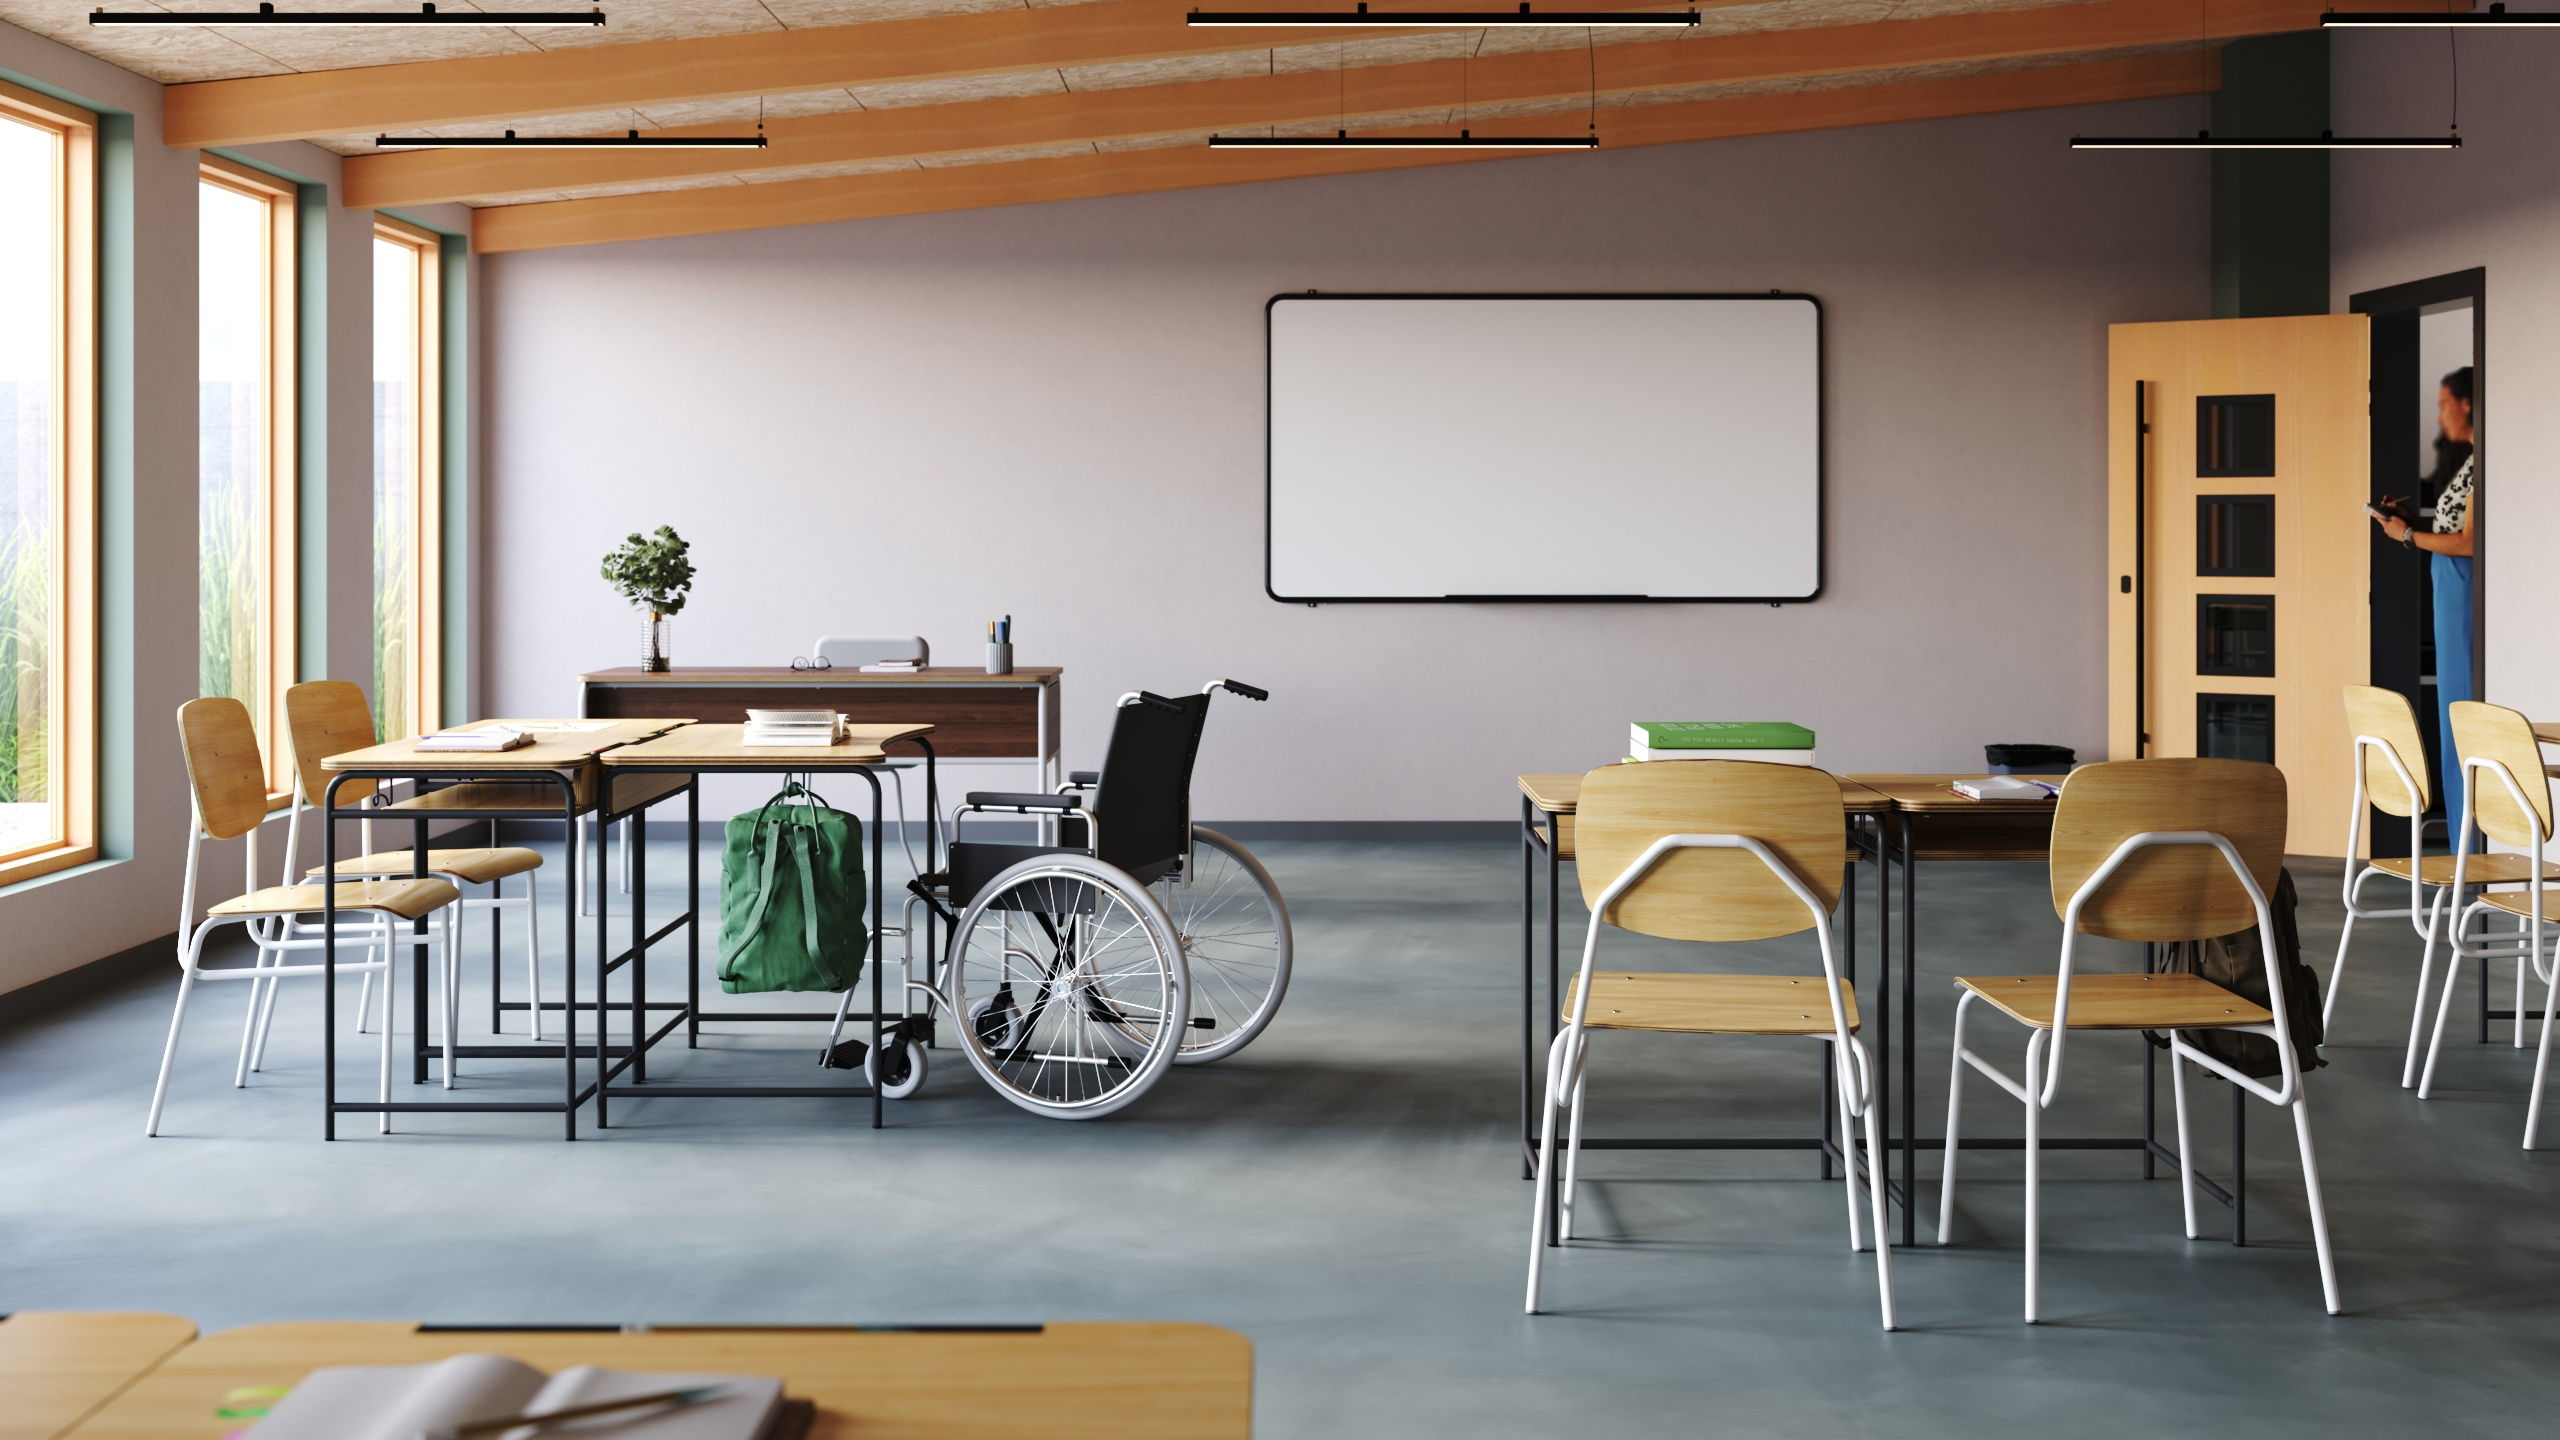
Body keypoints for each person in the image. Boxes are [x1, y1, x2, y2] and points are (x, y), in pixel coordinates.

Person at [2372, 365, 2475, 807]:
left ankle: (2471, 851)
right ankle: (2460, 850)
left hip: (2464, 593)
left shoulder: (2487, 461)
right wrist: (2412, 522)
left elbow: (2470, 542)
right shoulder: (2471, 460)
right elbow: (2456, 529)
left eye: (2442, 405)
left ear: (2467, 403)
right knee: (2452, 715)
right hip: (2450, 589)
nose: (2438, 418)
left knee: (2463, 713)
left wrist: (2409, 537)